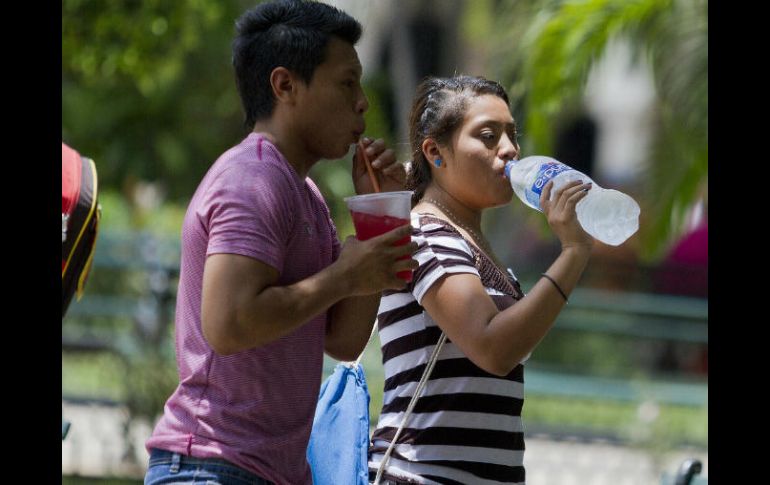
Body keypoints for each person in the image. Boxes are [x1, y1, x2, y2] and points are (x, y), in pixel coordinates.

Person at [143, 2, 418, 484]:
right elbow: (229, 324)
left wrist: (379, 218)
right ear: (285, 85)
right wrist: (344, 276)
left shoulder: (303, 192)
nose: (363, 103)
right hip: (211, 465)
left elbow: (343, 340)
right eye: (346, 82)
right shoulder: (252, 179)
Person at [367, 76, 594, 485]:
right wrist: (573, 253)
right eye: (488, 136)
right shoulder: (426, 234)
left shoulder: (473, 243)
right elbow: (493, 347)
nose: (509, 149)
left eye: (511, 134)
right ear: (435, 152)